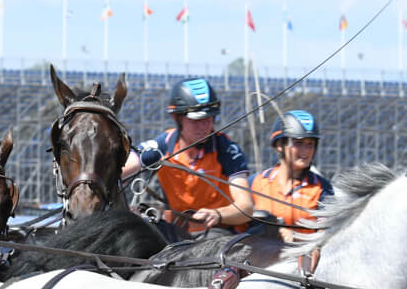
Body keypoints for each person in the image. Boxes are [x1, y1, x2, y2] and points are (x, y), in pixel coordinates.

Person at [122, 78, 254, 236]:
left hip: (218, 233)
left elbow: (246, 207)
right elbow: (119, 170)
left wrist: (218, 215)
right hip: (176, 233)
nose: (204, 127)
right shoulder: (162, 146)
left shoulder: (227, 149)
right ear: (176, 118)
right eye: (196, 121)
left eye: (208, 119)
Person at [249, 110, 332, 241]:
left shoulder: (322, 189)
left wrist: (295, 237)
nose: (305, 151)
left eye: (310, 144)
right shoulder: (256, 182)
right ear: (279, 145)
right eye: (298, 143)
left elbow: (327, 236)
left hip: (300, 258)